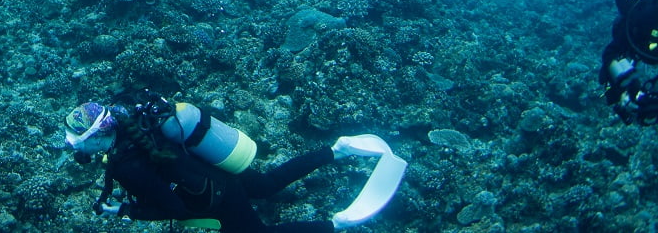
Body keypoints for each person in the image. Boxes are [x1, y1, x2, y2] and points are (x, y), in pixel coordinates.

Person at [64, 92, 405, 231]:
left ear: (99, 135)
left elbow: (177, 210)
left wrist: (127, 211)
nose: (74, 146)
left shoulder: (128, 166)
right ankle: (337, 150)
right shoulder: (128, 113)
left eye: (78, 140)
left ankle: (336, 223)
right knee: (268, 184)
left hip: (214, 198)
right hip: (213, 167)